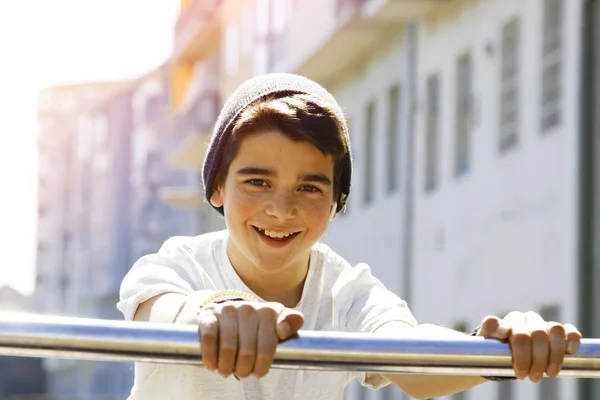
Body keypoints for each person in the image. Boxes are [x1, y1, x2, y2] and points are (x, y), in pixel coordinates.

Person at [117, 73, 581, 399]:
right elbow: (159, 313)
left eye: (310, 188)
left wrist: (497, 347)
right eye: (257, 182)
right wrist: (214, 314)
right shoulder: (173, 267)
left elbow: (412, 359)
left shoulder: (347, 291)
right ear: (216, 187)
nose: (281, 209)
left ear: (338, 200)